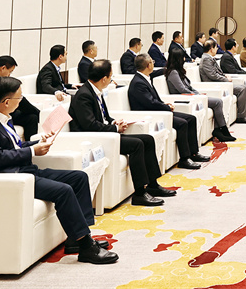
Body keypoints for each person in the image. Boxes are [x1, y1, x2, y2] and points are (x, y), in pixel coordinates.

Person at [0, 76, 118, 264]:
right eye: (19, 98)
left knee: (78, 177)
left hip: (23, 170)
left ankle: (77, 240)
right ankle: (87, 248)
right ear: (6, 102)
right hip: (9, 178)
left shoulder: (2, 118)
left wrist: (38, 143)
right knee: (63, 191)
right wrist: (32, 151)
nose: (21, 101)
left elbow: (14, 147)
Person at [69, 59, 174, 207]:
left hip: (106, 134)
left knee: (148, 139)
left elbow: (104, 117)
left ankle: (153, 185)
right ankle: (139, 194)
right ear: (104, 78)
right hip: (95, 139)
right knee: (137, 144)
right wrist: (115, 129)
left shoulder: (95, 91)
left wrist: (114, 122)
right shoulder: (84, 95)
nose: (111, 79)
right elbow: (89, 125)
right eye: (110, 76)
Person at [127, 54, 210, 170]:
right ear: (148, 65)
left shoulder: (145, 78)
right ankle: (184, 159)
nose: (154, 63)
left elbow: (154, 100)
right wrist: (165, 107)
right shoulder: (138, 83)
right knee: (182, 123)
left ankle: (194, 153)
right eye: (152, 62)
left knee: (191, 119)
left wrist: (165, 104)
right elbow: (150, 103)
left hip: (158, 110)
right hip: (151, 115)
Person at [166, 47, 237, 141]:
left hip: (192, 96)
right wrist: (197, 96)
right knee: (217, 102)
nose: (184, 59)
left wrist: (197, 93)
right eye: (183, 57)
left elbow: (189, 87)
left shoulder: (179, 71)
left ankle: (218, 130)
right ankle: (223, 130)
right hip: (186, 98)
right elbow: (182, 89)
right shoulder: (173, 73)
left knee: (217, 102)